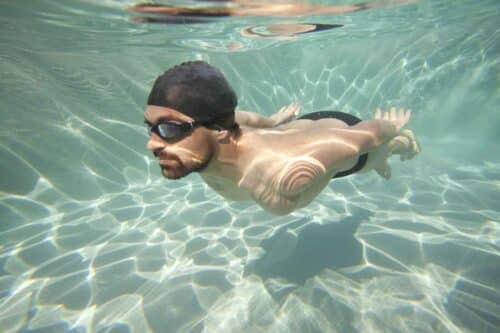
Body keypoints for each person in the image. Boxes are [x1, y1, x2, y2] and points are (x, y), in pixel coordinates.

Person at [144, 61, 420, 215]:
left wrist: (390, 128)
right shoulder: (218, 128)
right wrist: (273, 122)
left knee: (376, 157)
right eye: (151, 128)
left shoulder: (282, 177)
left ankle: (398, 146)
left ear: (219, 130)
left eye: (168, 129)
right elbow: (242, 117)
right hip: (301, 129)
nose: (152, 143)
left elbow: (363, 139)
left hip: (340, 136)